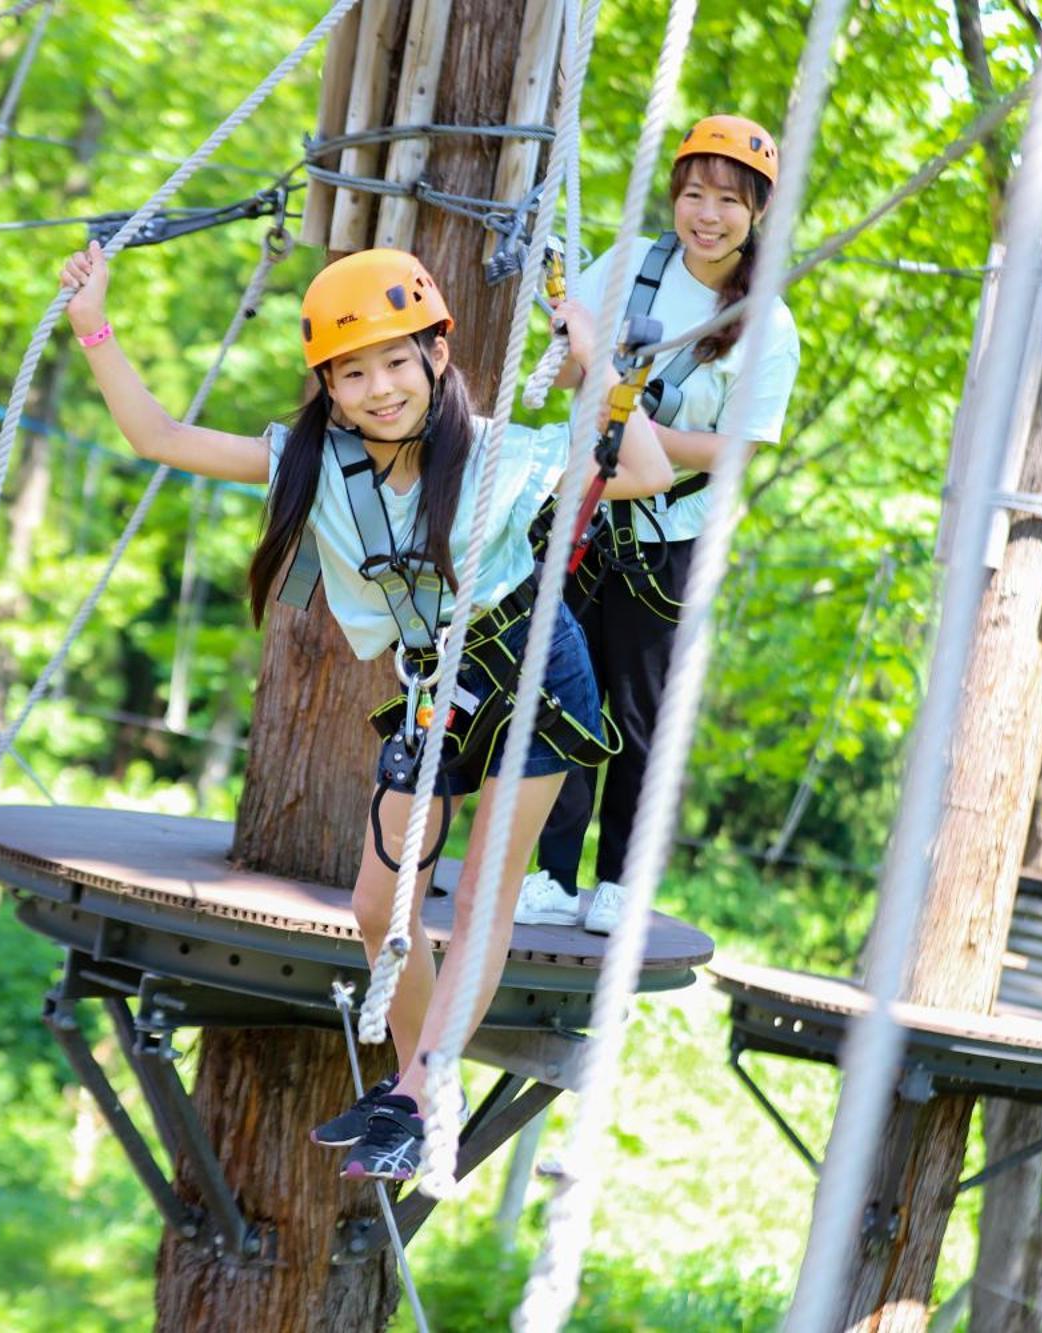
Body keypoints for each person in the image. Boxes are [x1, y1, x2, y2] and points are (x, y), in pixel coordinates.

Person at [57, 241, 672, 1181]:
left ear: (437, 356)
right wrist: (91, 325)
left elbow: (648, 469)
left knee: (476, 899)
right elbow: (162, 438)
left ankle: (426, 1091)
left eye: (396, 360)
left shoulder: (499, 451)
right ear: (329, 388)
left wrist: (590, 352)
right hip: (435, 688)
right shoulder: (314, 466)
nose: (380, 387)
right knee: (377, 903)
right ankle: (416, 1084)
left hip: (532, 671)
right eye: (354, 372)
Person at [517, 114, 802, 934]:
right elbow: (577, 365)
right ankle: (553, 872)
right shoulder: (633, 264)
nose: (705, 215)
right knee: (568, 697)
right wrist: (569, 336)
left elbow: (736, 451)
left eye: (727, 201)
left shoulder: (767, 324)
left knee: (634, 715)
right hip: (589, 521)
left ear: (757, 215)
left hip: (669, 540)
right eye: (693, 194)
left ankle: (615, 880)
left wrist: (635, 428)